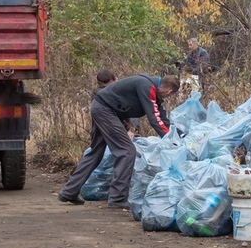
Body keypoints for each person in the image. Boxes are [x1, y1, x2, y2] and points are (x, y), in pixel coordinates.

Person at [57, 71, 171, 205]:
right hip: (105, 111)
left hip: (101, 108)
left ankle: (69, 191)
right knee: (127, 152)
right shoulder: (147, 86)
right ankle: (117, 198)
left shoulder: (150, 87)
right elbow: (154, 118)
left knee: (96, 152)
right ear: (169, 91)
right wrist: (169, 139)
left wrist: (176, 135)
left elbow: (161, 116)